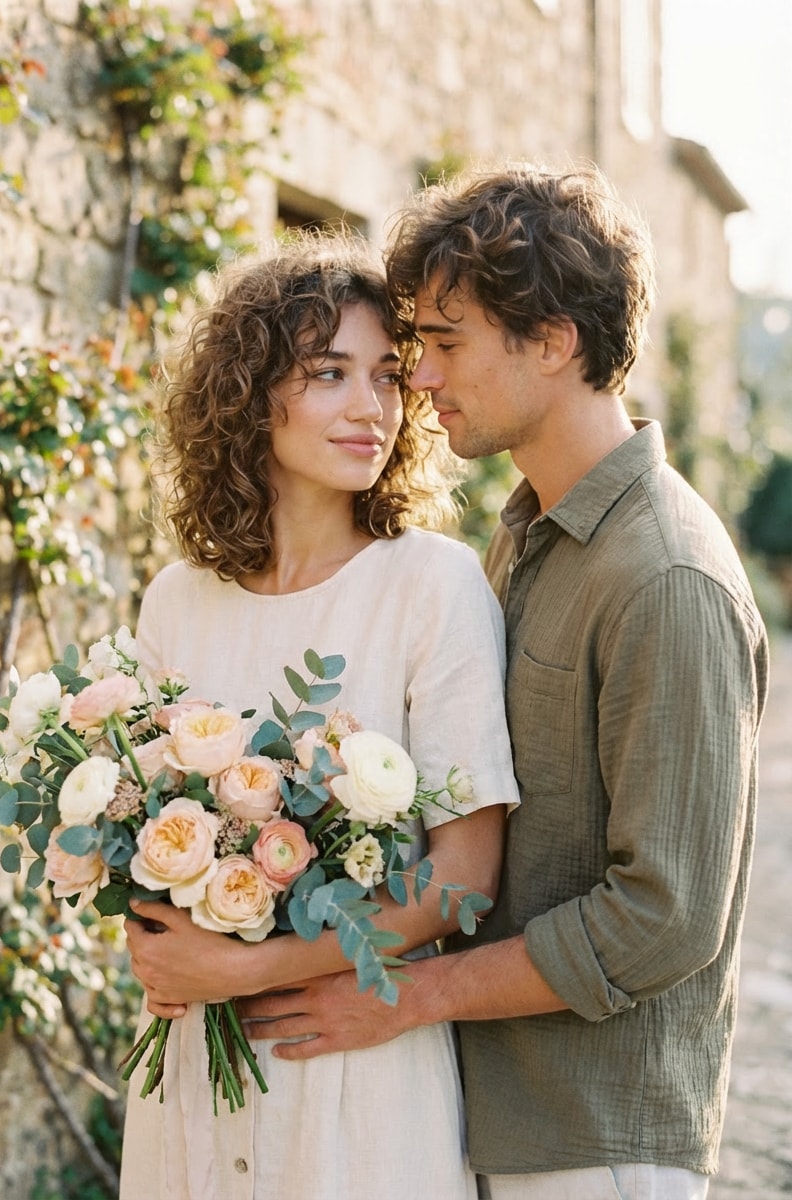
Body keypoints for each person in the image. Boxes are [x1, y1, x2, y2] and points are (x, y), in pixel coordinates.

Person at [237, 164, 770, 1200]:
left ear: (553, 341)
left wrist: (404, 994)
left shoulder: (663, 576)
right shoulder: (526, 535)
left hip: (597, 1140)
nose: (417, 379)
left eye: (444, 343)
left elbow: (661, 916)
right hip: (494, 1119)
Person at [118, 229, 521, 1200]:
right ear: (252, 390)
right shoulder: (176, 599)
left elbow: (461, 879)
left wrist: (245, 974)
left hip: (356, 1075)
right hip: (189, 1084)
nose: (370, 406)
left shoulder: (433, 584)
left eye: (387, 374)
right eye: (328, 371)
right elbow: (134, 841)